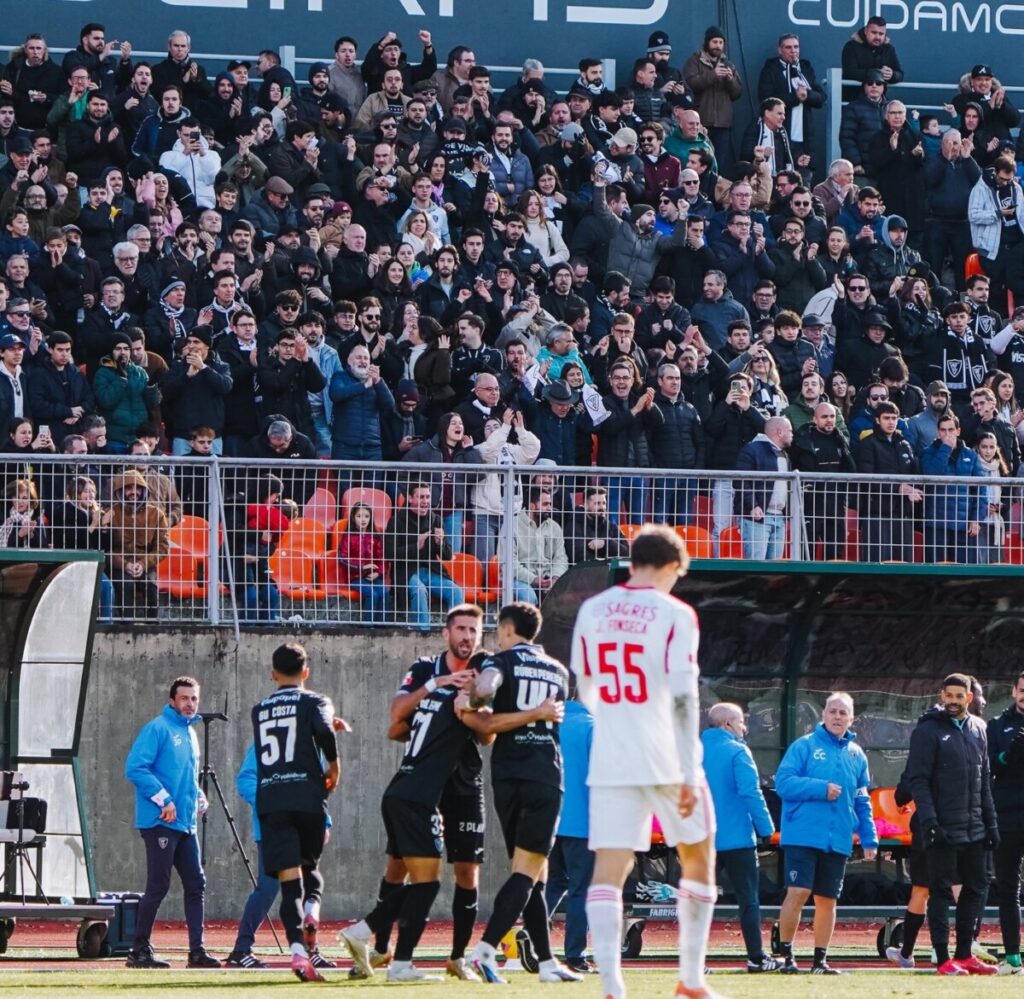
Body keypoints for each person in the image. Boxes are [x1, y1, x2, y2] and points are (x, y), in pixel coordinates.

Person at [567, 526, 717, 998]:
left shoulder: (592, 610)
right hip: (665, 755)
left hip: (611, 754)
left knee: (610, 869)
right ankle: (690, 978)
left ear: (633, 563)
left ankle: (612, 984)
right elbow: (681, 695)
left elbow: (586, 687)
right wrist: (691, 769)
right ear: (674, 567)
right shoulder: (675, 612)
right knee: (699, 856)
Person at [344, 605, 487, 980]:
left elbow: (485, 736)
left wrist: (472, 704)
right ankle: (380, 949)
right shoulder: (426, 669)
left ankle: (455, 957)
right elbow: (395, 721)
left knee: (465, 872)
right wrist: (439, 691)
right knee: (404, 869)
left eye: (474, 630)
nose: (467, 637)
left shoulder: (481, 677)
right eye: (461, 629)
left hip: (460, 783)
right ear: (446, 633)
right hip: (420, 784)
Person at [460, 601, 580, 985]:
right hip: (544, 774)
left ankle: (546, 963)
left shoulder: (501, 662)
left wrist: (476, 698)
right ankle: (485, 951)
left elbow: (485, 691)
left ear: (507, 629)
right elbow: (552, 713)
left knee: (531, 875)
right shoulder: (559, 671)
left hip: (506, 775)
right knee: (528, 870)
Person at [251, 642, 340, 982]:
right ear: (306, 671)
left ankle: (299, 955)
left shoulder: (259, 709)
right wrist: (335, 765)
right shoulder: (316, 700)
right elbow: (321, 729)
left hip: (272, 799)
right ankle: (312, 912)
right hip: (307, 797)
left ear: (273, 674)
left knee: (289, 884)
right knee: (311, 867)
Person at [775, 692, 878, 974]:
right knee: (798, 891)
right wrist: (820, 788)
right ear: (823, 715)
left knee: (827, 900)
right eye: (832, 711)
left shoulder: (857, 755)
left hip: (838, 838)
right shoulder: (804, 746)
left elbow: (862, 799)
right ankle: (787, 958)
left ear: (851, 718)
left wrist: (869, 837)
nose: (836, 717)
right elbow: (783, 783)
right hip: (802, 834)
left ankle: (820, 962)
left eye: (842, 713)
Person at [904, 672, 999, 975]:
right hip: (942, 828)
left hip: (974, 827)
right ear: (941, 696)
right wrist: (930, 821)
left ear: (969, 698)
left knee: (975, 888)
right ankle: (943, 959)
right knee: (940, 892)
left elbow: (983, 782)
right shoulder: (927, 731)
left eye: (960, 696)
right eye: (950, 695)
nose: (954, 701)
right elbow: (917, 780)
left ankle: (965, 955)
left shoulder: (979, 730)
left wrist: (991, 824)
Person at [123, 676, 220, 970]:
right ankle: (138, 951)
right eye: (184, 698)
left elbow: (185, 776)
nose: (190, 704)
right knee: (158, 885)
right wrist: (164, 799)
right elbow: (135, 768)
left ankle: (197, 952)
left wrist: (199, 796)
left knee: (196, 884)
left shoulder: (190, 734)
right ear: (172, 701)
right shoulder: (157, 728)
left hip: (185, 824)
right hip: (159, 822)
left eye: (194, 699)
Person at [702, 703, 778, 973]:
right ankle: (756, 958)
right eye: (741, 722)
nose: (744, 728)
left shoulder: (692, 752)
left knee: (699, 901)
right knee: (748, 899)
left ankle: (694, 962)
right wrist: (766, 828)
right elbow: (750, 792)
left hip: (701, 840)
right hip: (736, 840)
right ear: (728, 725)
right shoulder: (737, 751)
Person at [545, 691, 594, 974]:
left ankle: (533, 934)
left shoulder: (551, 724)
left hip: (551, 819)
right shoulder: (592, 727)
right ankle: (575, 954)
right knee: (580, 891)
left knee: (553, 884)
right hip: (583, 823)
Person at [987, 673, 1024, 973]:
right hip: (1007, 815)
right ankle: (1013, 955)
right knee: (1008, 887)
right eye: (1023, 690)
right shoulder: (997, 725)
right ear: (1014, 691)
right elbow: (988, 767)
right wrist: (1007, 754)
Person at [335, 502, 390, 624]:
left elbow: (382, 558)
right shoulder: (348, 536)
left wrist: (379, 573)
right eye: (359, 516)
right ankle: (368, 626)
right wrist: (362, 567)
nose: (363, 519)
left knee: (384, 592)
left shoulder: (375, 536)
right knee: (372, 594)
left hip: (373, 576)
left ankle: (383, 625)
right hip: (355, 577)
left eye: (366, 516)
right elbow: (343, 559)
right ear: (353, 518)